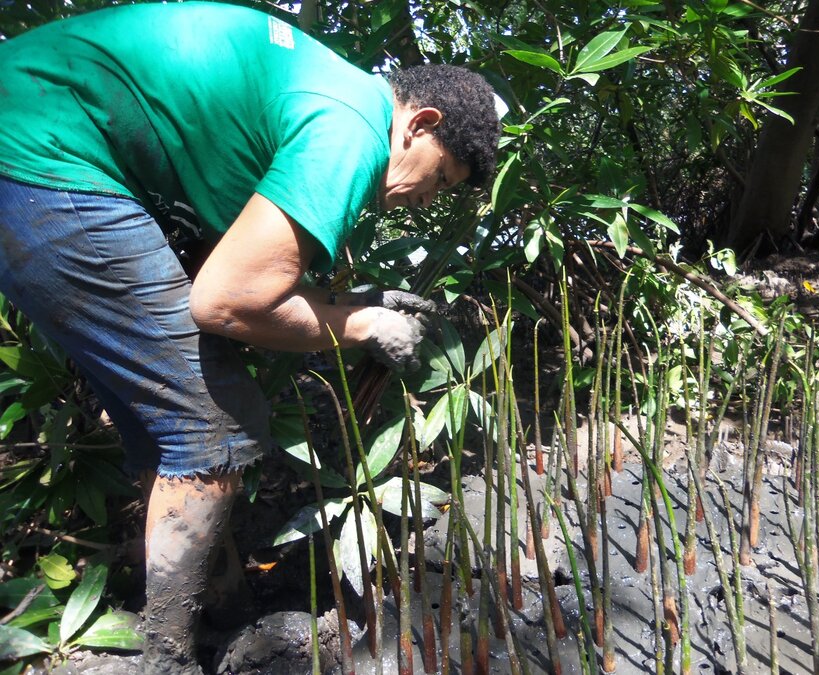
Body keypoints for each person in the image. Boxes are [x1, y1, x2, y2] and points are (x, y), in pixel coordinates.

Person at [0, 2, 500, 672]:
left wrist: (357, 301)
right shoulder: (352, 132)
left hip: (35, 138)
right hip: (40, 157)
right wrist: (367, 324)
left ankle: (225, 610)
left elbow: (254, 272)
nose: (426, 199)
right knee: (210, 426)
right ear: (419, 123)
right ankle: (166, 659)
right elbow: (226, 301)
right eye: (438, 178)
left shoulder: (336, 96)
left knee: (180, 424)